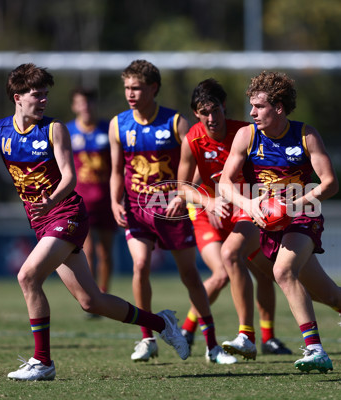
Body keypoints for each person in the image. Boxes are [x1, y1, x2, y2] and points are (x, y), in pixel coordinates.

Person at [0, 63, 189, 381]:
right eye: (36, 95)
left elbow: (69, 176)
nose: (43, 101)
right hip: (43, 221)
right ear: (17, 97)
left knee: (27, 276)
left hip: (67, 214)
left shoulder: (54, 129)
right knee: (90, 301)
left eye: (45, 95)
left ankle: (43, 362)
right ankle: (161, 323)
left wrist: (52, 200)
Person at [219, 71, 341, 373]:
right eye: (251, 106)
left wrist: (294, 203)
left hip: (304, 216)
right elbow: (225, 184)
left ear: (279, 108)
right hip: (268, 221)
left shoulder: (306, 135)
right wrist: (249, 204)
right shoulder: (247, 136)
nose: (252, 113)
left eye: (259, 106)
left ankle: (315, 349)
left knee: (282, 272)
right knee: (328, 295)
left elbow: (330, 184)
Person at [109, 60, 235, 364]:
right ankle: (147, 338)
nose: (131, 93)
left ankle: (212, 345)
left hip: (172, 211)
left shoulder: (176, 123)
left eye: (137, 87)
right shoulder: (118, 124)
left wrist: (183, 192)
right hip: (138, 210)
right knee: (140, 266)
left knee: (190, 276)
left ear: (153, 88)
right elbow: (116, 170)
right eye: (127, 87)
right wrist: (115, 201)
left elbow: (193, 165)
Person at [177, 78, 292, 356]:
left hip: (244, 210)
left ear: (224, 106)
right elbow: (182, 187)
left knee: (267, 274)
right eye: (205, 112)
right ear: (196, 113)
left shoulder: (244, 132)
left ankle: (268, 338)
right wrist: (209, 203)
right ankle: (189, 328)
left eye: (216, 109)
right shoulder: (192, 138)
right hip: (208, 214)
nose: (212, 117)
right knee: (220, 273)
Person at [67, 88, 117, 297]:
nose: (85, 107)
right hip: (81, 202)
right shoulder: (68, 131)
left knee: (104, 252)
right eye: (81, 103)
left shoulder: (108, 129)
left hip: (106, 200)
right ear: (74, 106)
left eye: (89, 103)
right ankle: (91, 294)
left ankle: (103, 293)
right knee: (86, 251)